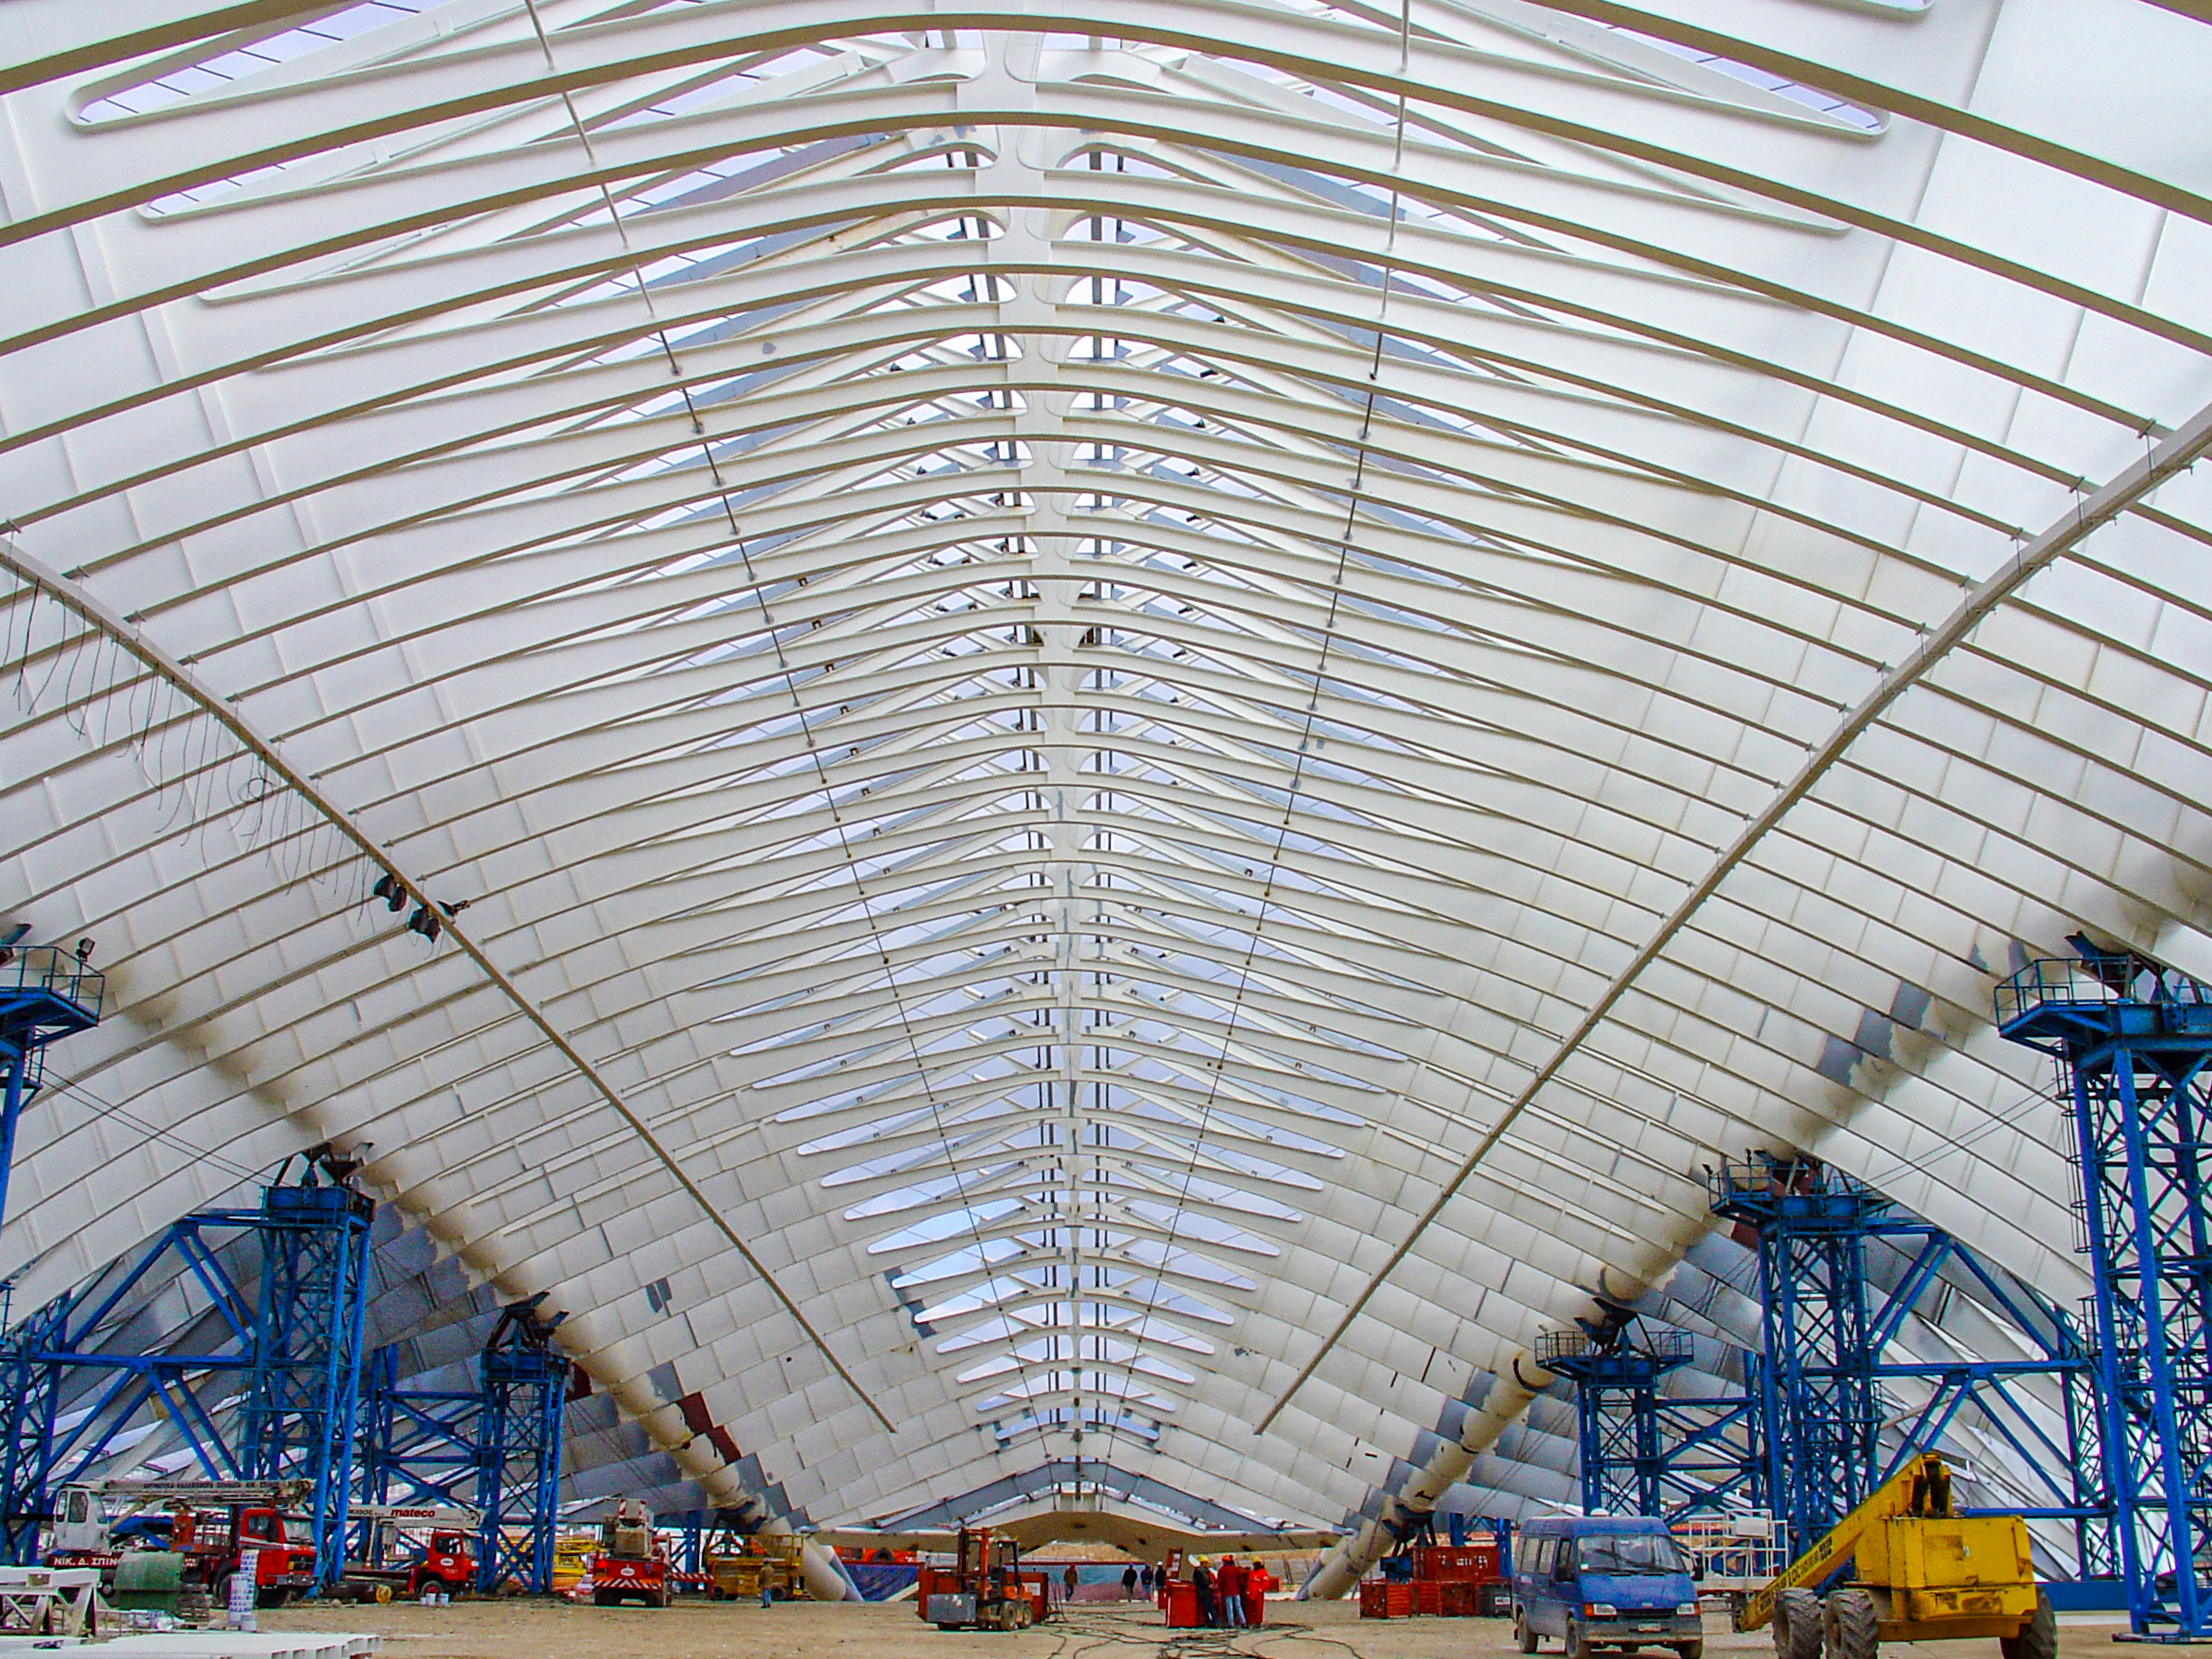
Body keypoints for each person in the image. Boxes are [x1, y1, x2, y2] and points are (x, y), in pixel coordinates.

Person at [1217, 1556, 1246, 1626]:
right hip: (1236, 1591)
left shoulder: (1222, 1570)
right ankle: (1243, 1622)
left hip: (1227, 1592)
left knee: (1229, 1607)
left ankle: (1231, 1623)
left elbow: (1220, 1582)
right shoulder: (1235, 1570)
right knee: (1238, 1606)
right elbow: (1241, 1581)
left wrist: (1220, 1590)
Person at [1244, 1559, 1272, 1627]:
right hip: (1251, 1593)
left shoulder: (1263, 1572)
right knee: (1250, 1609)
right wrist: (1248, 1591)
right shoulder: (1251, 1573)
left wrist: (1260, 1590)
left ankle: (1258, 1622)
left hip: (1258, 1594)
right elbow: (1249, 1582)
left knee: (1258, 1608)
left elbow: (1266, 1583)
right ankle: (1250, 1621)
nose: (1255, 1566)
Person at [1191, 1558, 1215, 1627]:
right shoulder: (1199, 1572)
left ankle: (1210, 1622)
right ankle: (1210, 1622)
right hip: (1203, 1592)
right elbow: (1201, 1582)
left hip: (1205, 1592)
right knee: (1208, 1608)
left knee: (1208, 1608)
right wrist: (1209, 1585)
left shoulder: (1204, 1571)